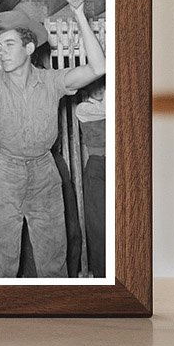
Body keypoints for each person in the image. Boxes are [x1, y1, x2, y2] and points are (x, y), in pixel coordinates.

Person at [0, 0, 106, 278]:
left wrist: (79, 14)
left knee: (53, 260)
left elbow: (99, 67)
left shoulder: (51, 81)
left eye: (9, 44)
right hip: (5, 173)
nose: (2, 52)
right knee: (2, 262)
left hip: (45, 172)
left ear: (29, 47)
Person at [75, 82, 107, 277]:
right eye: (94, 84)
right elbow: (106, 110)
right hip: (97, 167)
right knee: (99, 226)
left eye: (102, 84)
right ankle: (103, 274)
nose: (100, 88)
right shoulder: (82, 109)